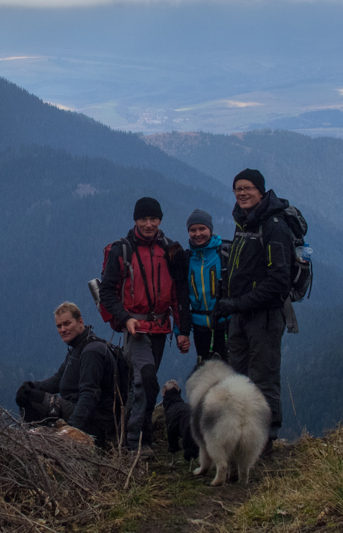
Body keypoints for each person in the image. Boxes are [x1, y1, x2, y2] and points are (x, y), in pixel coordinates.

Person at [99, 196, 191, 452]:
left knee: (147, 384)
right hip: (136, 328)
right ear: (135, 220)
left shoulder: (171, 250)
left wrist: (183, 331)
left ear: (160, 220)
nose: (149, 224)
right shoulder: (122, 249)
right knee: (144, 380)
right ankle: (132, 444)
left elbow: (179, 293)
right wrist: (125, 318)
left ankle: (143, 438)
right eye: (143, 219)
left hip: (161, 328)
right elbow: (107, 291)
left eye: (153, 219)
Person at [211, 169, 294, 447]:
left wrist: (235, 304)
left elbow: (278, 281)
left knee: (263, 379)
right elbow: (237, 271)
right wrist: (225, 305)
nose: (242, 193)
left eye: (247, 188)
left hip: (266, 317)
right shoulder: (244, 223)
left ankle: (265, 440)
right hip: (239, 316)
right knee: (239, 379)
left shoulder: (273, 226)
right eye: (237, 189)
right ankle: (243, 437)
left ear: (261, 191)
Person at [15, 302, 118, 448]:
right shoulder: (77, 347)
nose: (63, 329)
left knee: (34, 400)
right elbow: (59, 379)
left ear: (80, 322)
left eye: (67, 324)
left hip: (95, 418)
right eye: (59, 326)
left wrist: (72, 428)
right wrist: (31, 386)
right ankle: (38, 444)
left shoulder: (92, 351)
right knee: (28, 394)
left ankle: (36, 448)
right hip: (77, 408)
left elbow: (90, 394)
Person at [184, 208, 230, 363]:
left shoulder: (224, 253)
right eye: (193, 230)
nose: (198, 234)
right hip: (199, 327)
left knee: (230, 371)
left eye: (202, 229)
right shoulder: (186, 259)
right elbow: (180, 297)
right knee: (206, 372)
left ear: (210, 230)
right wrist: (180, 331)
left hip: (226, 324)